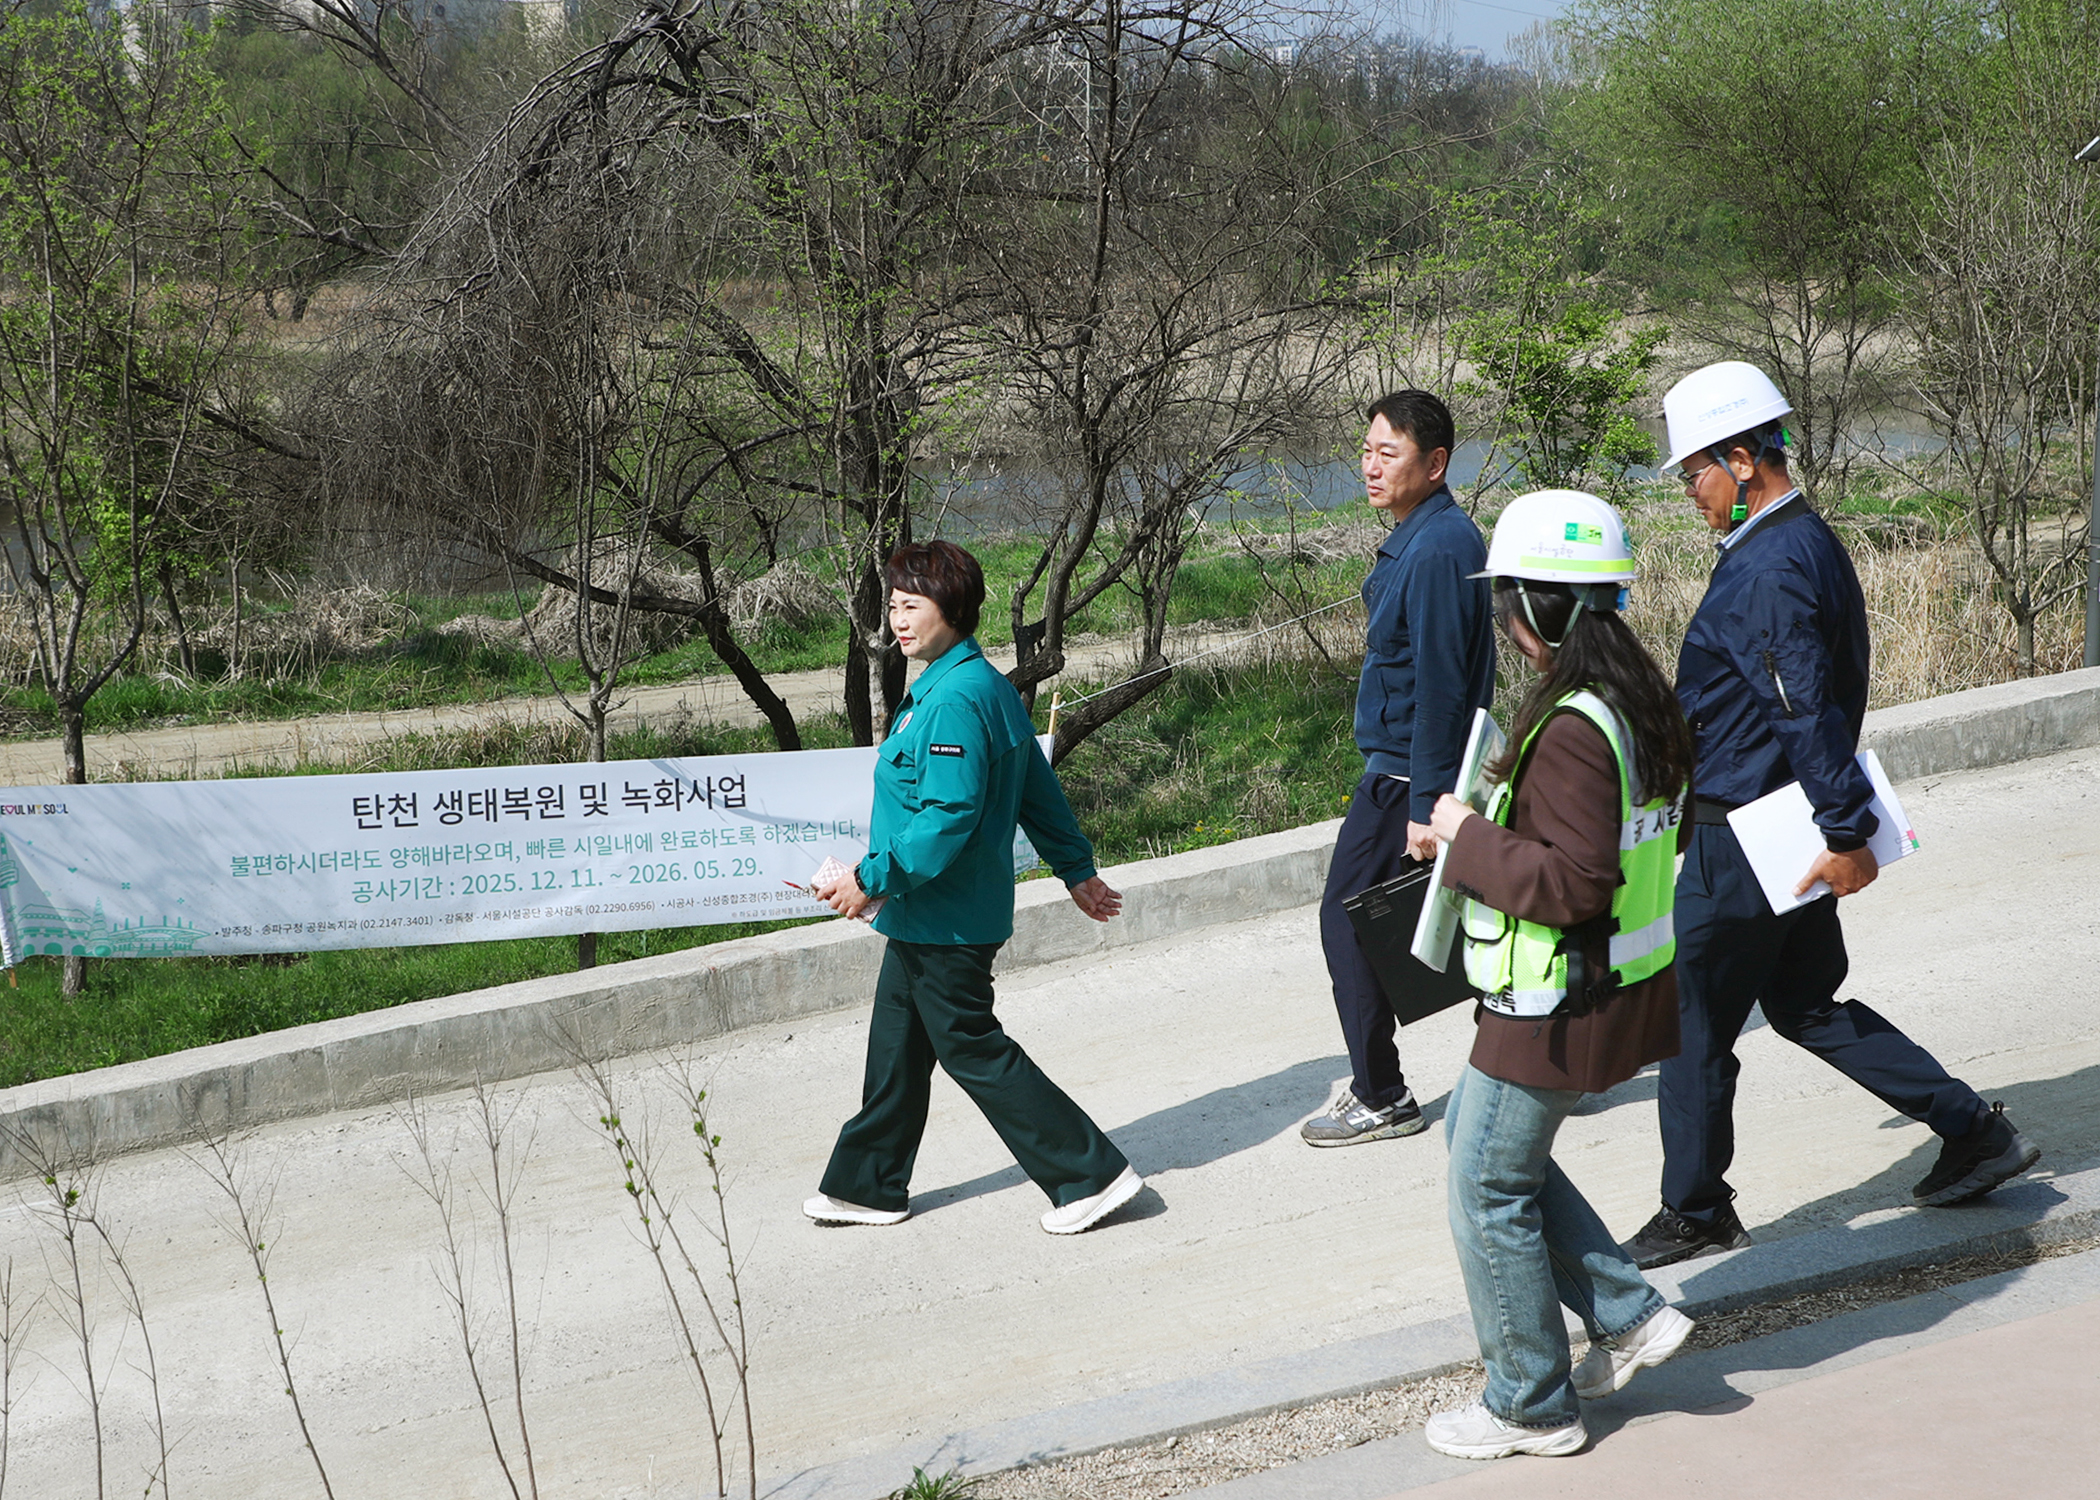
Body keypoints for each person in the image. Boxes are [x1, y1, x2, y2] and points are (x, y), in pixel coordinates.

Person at [1625, 361, 2040, 1270]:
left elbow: (1803, 707)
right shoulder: (1801, 540)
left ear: (1743, 458)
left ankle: (1695, 1209)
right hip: (1785, 826)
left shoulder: (1767, 567)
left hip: (1745, 836)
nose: (1689, 492)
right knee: (1806, 1004)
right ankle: (1972, 1129)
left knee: (1695, 1022)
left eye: (1694, 470)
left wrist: (1846, 833)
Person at [1420, 489, 1696, 1461]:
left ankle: (1530, 1403)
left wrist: (1466, 839)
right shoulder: (1635, 698)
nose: (1501, 621)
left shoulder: (1577, 724)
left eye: (1509, 603)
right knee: (1481, 1143)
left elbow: (1577, 881)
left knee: (1485, 1187)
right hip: (1605, 990)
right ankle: (1627, 1315)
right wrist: (1480, 829)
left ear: (1544, 608)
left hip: (1553, 1000)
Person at [804, 540, 1144, 1236]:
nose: (898, 621)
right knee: (897, 1051)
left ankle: (1090, 1174)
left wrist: (868, 879)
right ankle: (868, 1186)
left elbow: (948, 816)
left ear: (951, 607)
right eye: (894, 605)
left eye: (912, 605)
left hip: (948, 918)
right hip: (924, 912)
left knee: (972, 1048)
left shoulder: (957, 699)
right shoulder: (978, 685)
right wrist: (1075, 870)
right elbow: (1038, 790)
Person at [1301, 390, 1496, 1147]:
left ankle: (1381, 1095)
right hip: (1403, 769)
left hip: (1404, 775)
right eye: (1368, 451)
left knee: (1348, 922)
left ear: (1436, 462)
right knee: (1454, 918)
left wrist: (1426, 802)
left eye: (1389, 453)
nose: (1371, 467)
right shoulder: (1422, 537)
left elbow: (1444, 687)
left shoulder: (1442, 547)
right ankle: (1539, 1046)